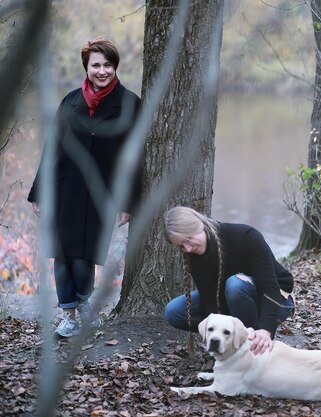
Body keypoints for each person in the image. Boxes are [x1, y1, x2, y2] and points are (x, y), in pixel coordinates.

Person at [27, 37, 141, 338]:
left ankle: (86, 305)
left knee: (86, 255)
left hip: (102, 193)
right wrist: (38, 192)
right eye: (95, 66)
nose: (101, 71)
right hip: (65, 190)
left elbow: (136, 157)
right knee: (62, 253)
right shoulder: (70, 101)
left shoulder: (129, 103)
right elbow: (52, 148)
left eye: (107, 65)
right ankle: (69, 316)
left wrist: (128, 201)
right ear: (86, 68)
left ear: (115, 66)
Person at [163, 206, 295, 355]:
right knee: (174, 312)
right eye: (181, 246)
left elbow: (269, 288)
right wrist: (217, 337)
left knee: (235, 285)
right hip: (231, 300)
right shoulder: (194, 254)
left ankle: (252, 346)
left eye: (188, 239)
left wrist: (265, 330)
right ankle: (231, 339)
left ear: (200, 226)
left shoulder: (246, 236)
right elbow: (208, 299)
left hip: (277, 300)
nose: (187, 249)